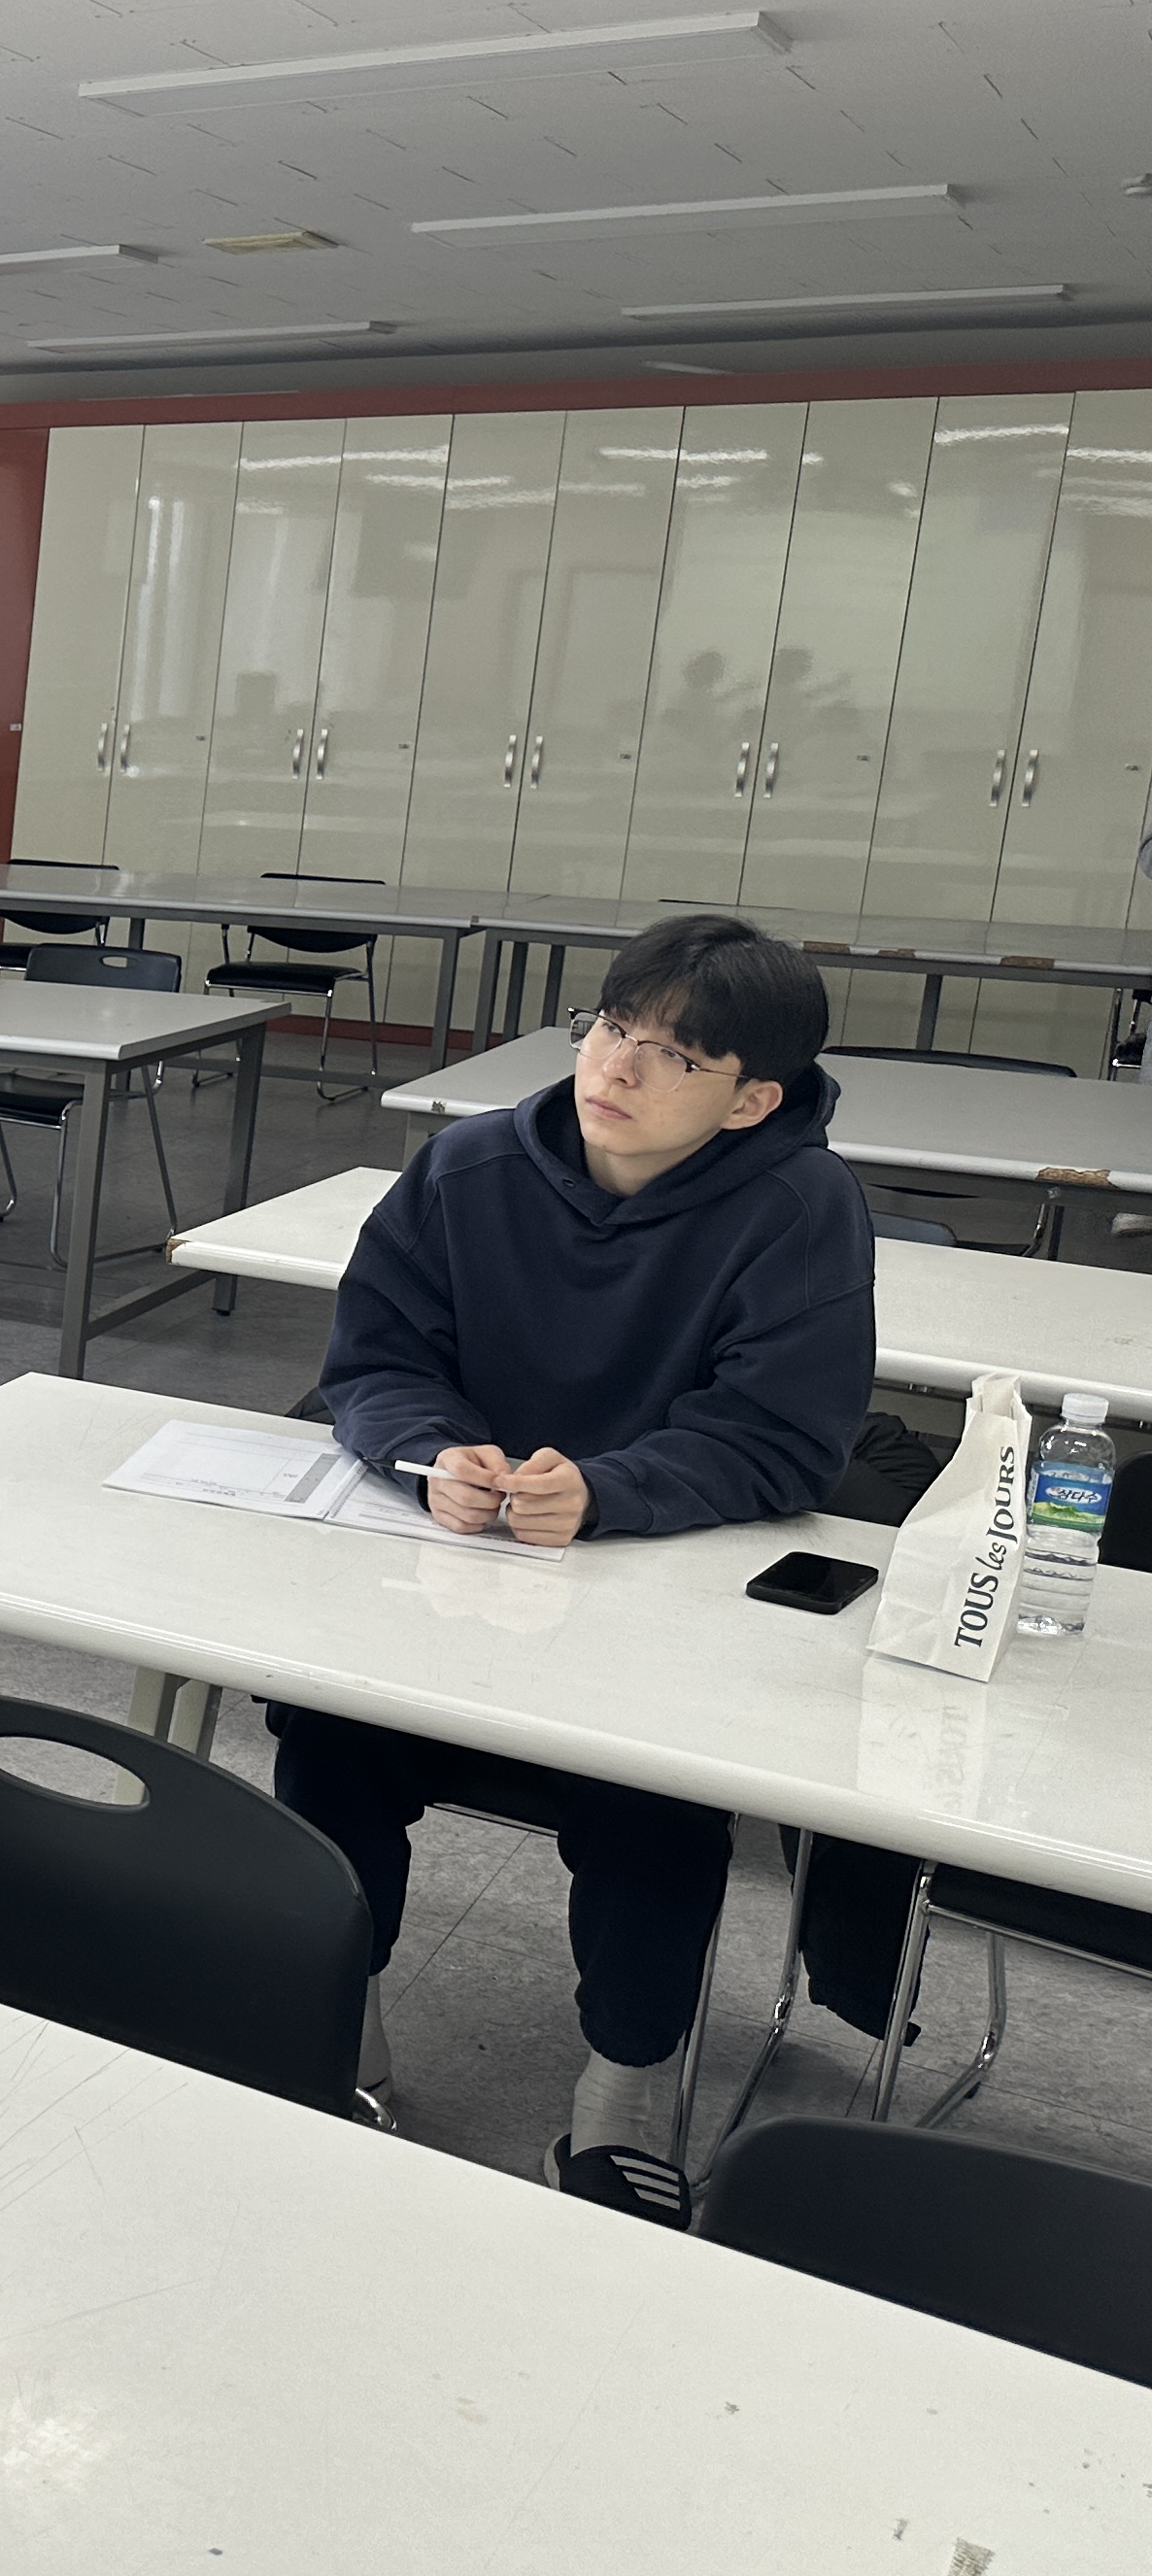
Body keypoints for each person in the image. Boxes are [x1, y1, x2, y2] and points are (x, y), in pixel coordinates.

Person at [282, 912, 875, 2225]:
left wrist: (609, 1491)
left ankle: (626, 2085)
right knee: (327, 1728)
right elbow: (375, 1360)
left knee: (656, 1798)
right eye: (612, 1028)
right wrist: (430, 1454)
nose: (618, 1066)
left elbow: (785, 1434)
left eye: (676, 1055)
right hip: (458, 1563)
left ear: (752, 1099)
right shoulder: (469, 1166)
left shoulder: (801, 1208)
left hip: (658, 1587)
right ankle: (334, 2011)